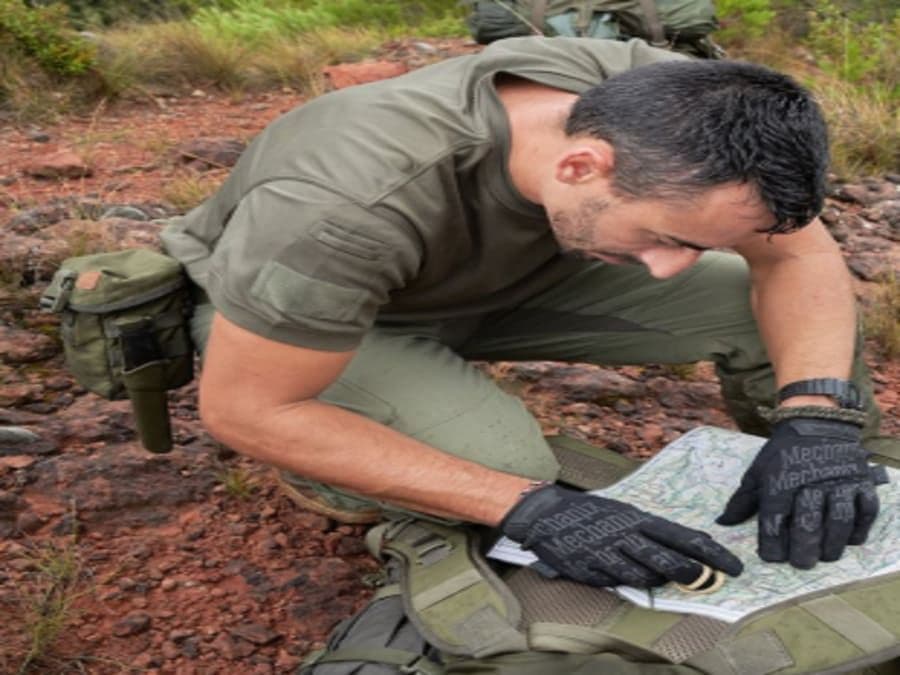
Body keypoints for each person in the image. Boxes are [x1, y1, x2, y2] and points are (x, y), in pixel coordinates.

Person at [161, 36, 894, 589]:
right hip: (317, 325)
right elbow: (247, 408)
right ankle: (334, 474)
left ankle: (823, 493)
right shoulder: (341, 206)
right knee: (502, 470)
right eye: (665, 239)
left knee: (769, 314)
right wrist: (533, 510)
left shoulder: (686, 110)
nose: (677, 265)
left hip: (512, 278)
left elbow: (795, 258)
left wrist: (816, 421)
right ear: (581, 166)